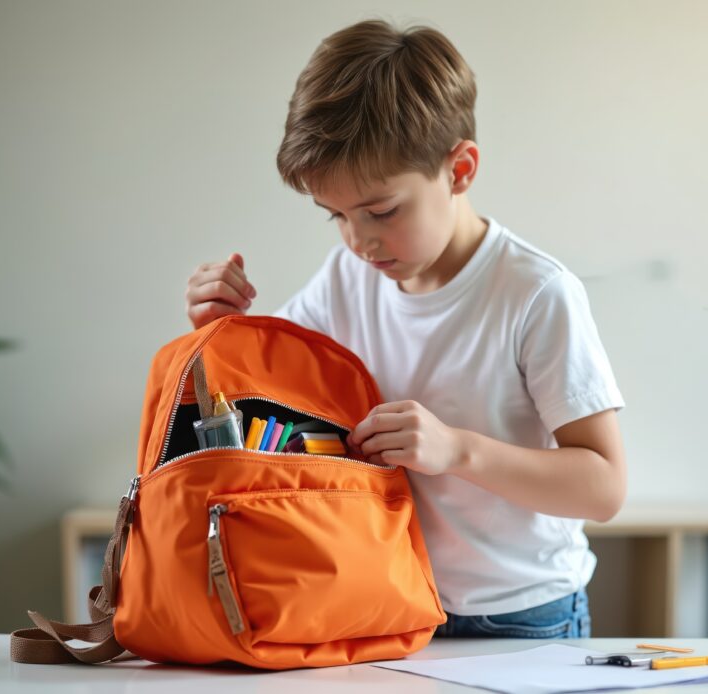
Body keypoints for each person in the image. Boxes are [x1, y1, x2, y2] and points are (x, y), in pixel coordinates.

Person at [184, 19, 626, 639]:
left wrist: (457, 450)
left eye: (381, 211)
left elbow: (603, 488)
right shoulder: (348, 275)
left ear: (460, 169)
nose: (358, 240)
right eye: (334, 215)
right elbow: (265, 378)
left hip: (523, 615)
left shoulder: (535, 293)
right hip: (386, 600)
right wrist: (222, 327)